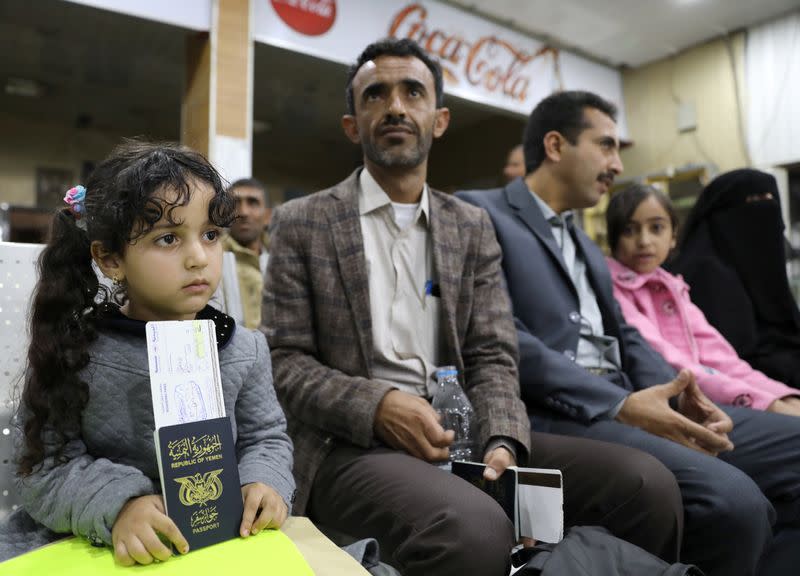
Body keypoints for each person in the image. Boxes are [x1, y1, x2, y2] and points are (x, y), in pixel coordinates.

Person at [263, 39, 683, 576]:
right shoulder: (304, 222)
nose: (395, 106)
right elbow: (283, 361)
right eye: (375, 95)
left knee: (646, 485)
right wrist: (379, 405)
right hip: (348, 443)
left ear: (439, 120)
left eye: (412, 92)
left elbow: (492, 352)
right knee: (473, 530)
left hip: (462, 433)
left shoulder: (470, 224)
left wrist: (503, 439)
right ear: (353, 125)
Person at [457, 90, 800, 576]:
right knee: (734, 503)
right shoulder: (479, 213)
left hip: (633, 399)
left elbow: (627, 338)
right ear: (556, 146)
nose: (617, 164)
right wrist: (619, 404)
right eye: (606, 146)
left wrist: (684, 396)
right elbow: (500, 336)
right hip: (561, 411)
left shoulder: (587, 244)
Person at [1, 141, 294, 565]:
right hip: (96, 544)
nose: (198, 258)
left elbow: (265, 437)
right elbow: (44, 467)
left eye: (211, 235)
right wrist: (120, 505)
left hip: (224, 545)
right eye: (168, 238)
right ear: (110, 258)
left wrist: (264, 481)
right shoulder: (75, 351)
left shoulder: (244, 349)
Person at [605, 183, 800, 415]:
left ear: (673, 236)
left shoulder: (673, 287)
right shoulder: (612, 289)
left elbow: (721, 357)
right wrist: (766, 404)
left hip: (710, 394)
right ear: (613, 240)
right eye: (629, 230)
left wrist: (781, 396)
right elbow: (671, 361)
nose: (644, 240)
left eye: (656, 228)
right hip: (666, 406)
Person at [669, 169, 800, 389]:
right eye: (754, 201)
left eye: (771, 200)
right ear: (723, 214)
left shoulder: (749, 264)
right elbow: (734, 363)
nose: (767, 212)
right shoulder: (705, 272)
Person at [224, 177, 271, 329]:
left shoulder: (282, 260)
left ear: (267, 216)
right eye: (236, 203)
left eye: (253, 202)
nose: (243, 212)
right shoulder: (210, 259)